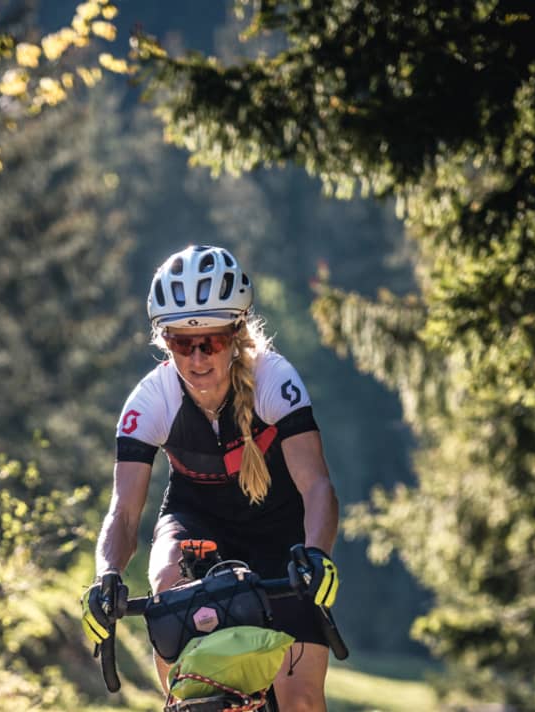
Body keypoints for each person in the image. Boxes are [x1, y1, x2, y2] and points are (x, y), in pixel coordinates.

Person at [81, 245, 341, 711]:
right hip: (196, 521)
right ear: (166, 342)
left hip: (279, 533)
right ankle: (181, 700)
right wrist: (107, 576)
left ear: (236, 334)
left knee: (300, 699)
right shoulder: (151, 400)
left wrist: (317, 556)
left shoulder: (274, 380)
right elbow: (122, 512)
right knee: (166, 584)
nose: (198, 357)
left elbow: (317, 485)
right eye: (183, 343)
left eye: (212, 342)